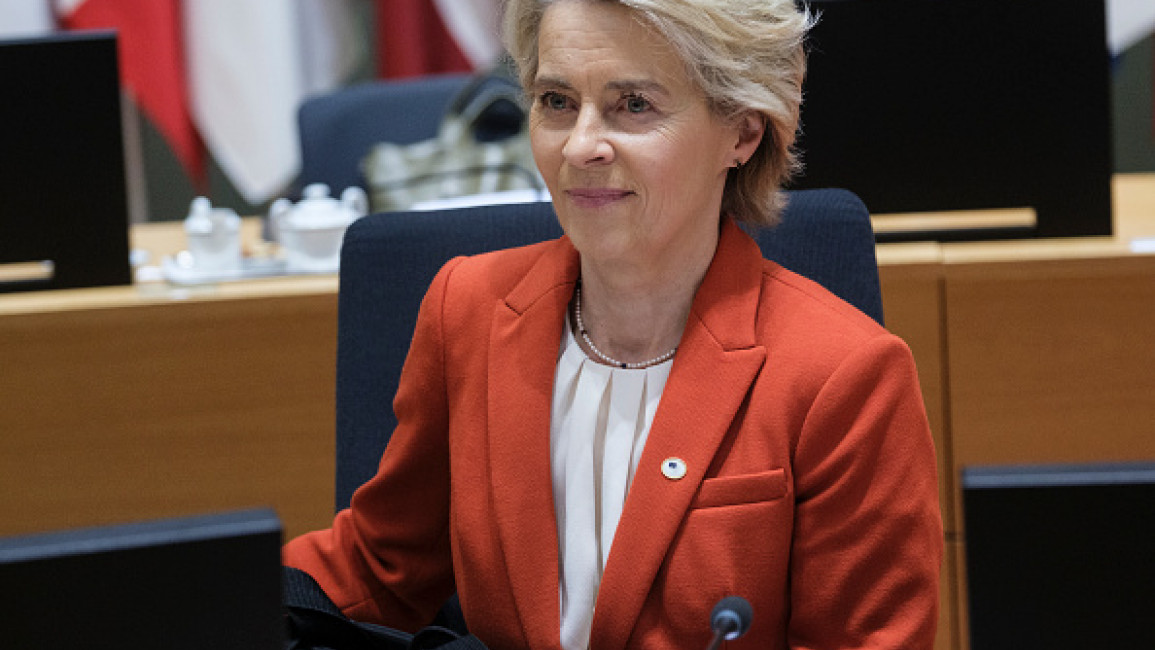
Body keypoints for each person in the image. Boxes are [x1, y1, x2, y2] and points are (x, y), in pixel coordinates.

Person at [283, 0, 943, 648]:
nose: (579, 145)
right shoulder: (469, 311)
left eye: (634, 105)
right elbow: (377, 572)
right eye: (556, 101)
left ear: (741, 133)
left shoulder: (845, 376)